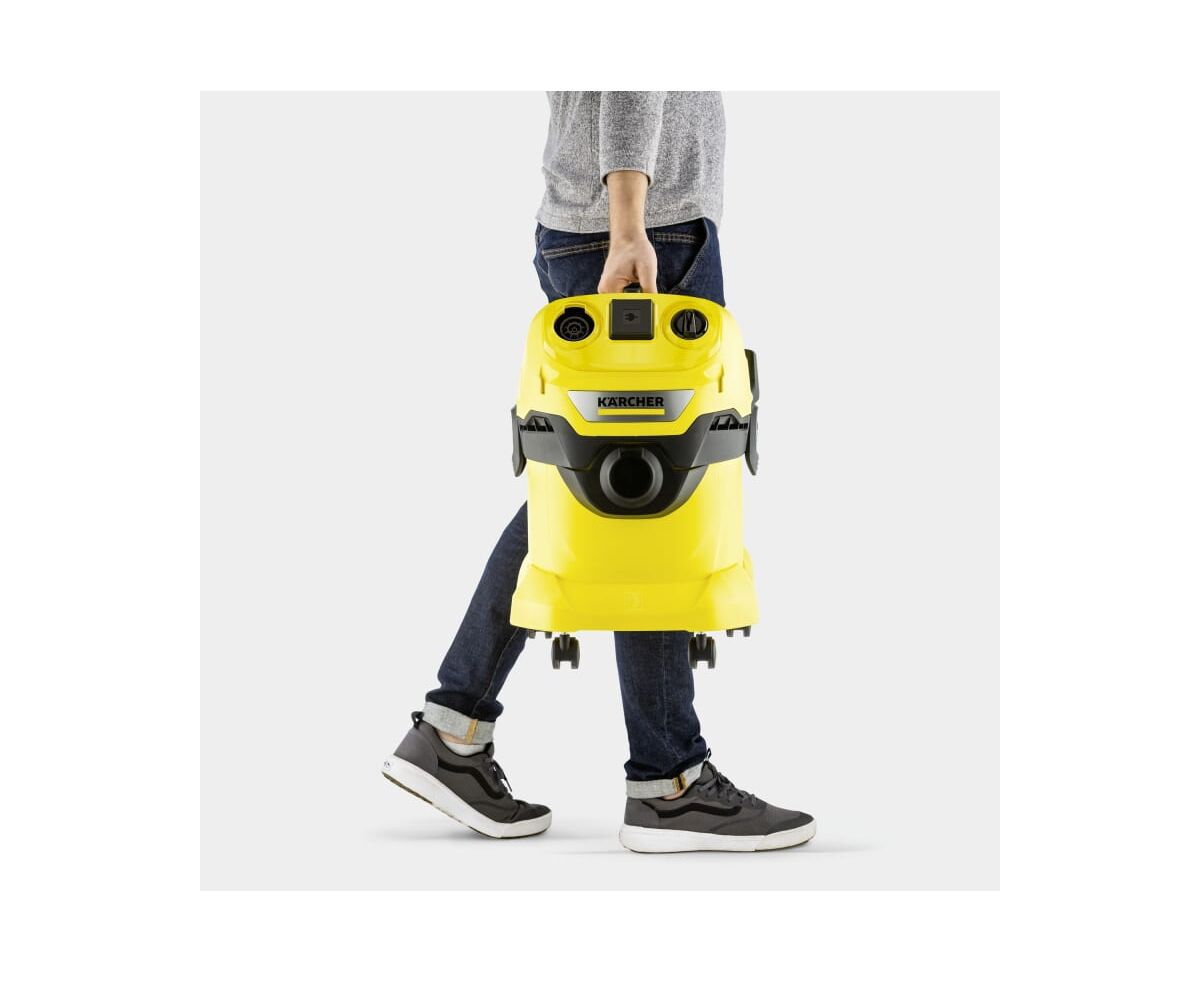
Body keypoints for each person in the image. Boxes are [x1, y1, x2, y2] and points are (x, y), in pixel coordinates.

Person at [382, 92, 816, 853]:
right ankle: (668, 782)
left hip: (620, 225)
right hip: (641, 232)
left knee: (603, 493)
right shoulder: (633, 226)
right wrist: (628, 226)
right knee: (651, 497)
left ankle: (456, 730)